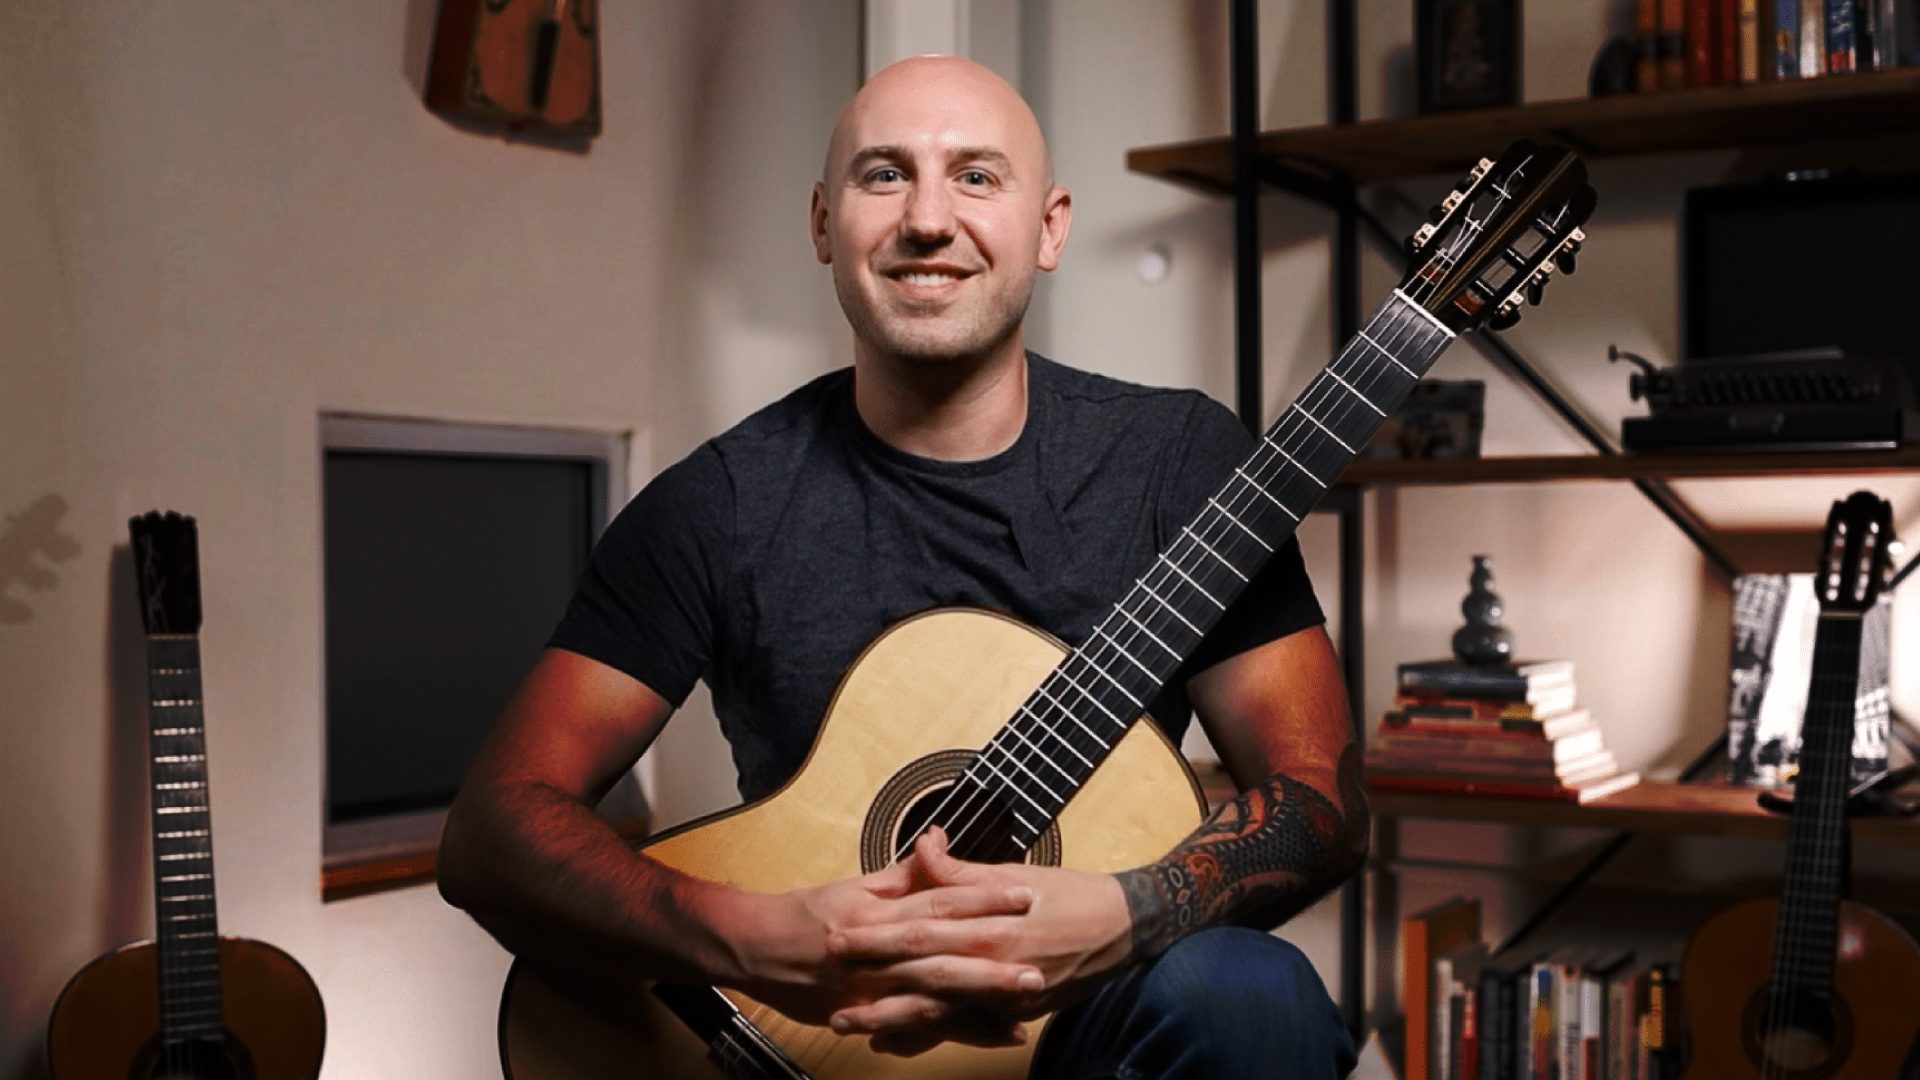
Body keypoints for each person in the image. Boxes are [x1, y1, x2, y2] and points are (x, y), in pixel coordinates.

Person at [439, 54, 1365, 1079]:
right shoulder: (721, 505)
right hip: (811, 1038)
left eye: (977, 176)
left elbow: (1319, 806)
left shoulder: (1180, 465)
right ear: (825, 223)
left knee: (1250, 995)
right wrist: (750, 939)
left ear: (1049, 227)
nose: (929, 219)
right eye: (885, 175)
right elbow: (493, 833)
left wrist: (1127, 912)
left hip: (1082, 1032)